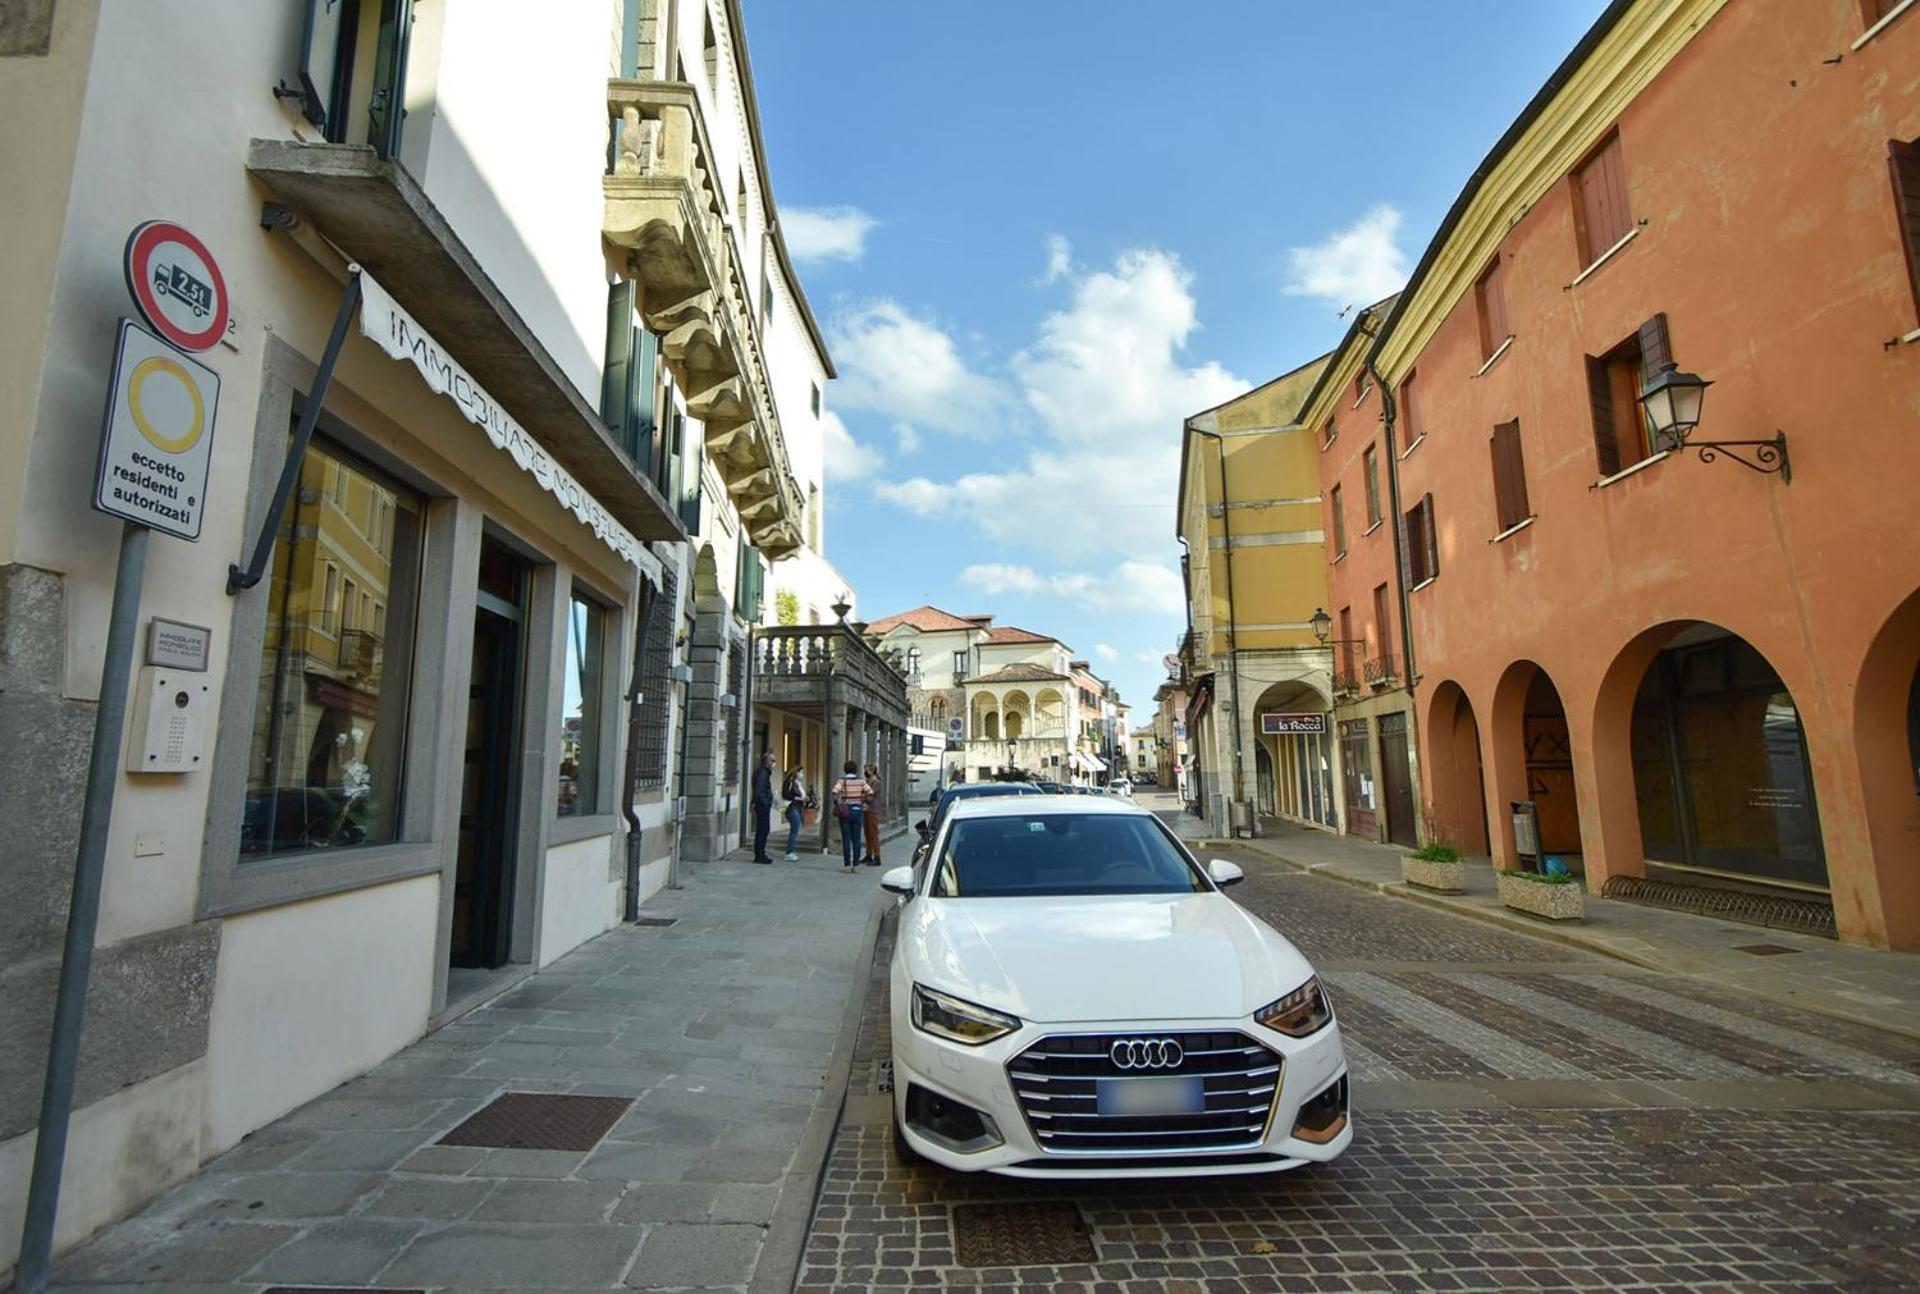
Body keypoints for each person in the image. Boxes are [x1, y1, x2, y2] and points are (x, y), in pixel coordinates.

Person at [830, 759, 872, 873]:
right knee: (857, 839)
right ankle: (856, 864)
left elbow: (834, 792)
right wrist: (864, 802)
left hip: (845, 811)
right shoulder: (861, 781)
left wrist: (838, 803)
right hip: (857, 810)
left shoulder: (842, 781)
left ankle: (847, 864)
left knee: (846, 838)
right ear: (856, 769)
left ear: (845, 769)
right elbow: (870, 792)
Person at [750, 750, 775, 864]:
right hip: (762, 804)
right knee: (763, 829)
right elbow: (758, 789)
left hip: (763, 803)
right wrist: (755, 802)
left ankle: (761, 853)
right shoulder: (763, 772)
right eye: (772, 760)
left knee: (764, 829)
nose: (774, 763)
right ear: (767, 761)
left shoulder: (764, 772)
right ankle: (759, 855)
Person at [782, 765, 807, 861]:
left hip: (799, 807)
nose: (802, 775)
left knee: (796, 830)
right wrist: (797, 798)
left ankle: (791, 851)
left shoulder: (799, 784)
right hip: (792, 808)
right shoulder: (790, 783)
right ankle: (789, 852)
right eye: (801, 772)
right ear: (796, 773)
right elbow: (785, 795)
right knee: (794, 829)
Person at [862, 762, 884, 867]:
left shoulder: (875, 781)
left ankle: (877, 856)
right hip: (867, 809)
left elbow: (869, 795)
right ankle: (868, 854)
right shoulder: (869, 781)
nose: (865, 772)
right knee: (867, 833)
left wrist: (861, 797)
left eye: (866, 769)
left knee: (873, 834)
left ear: (871, 770)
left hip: (872, 809)